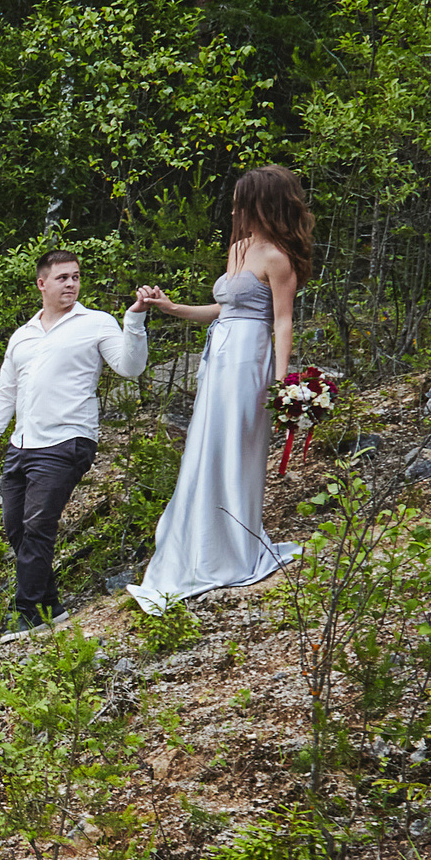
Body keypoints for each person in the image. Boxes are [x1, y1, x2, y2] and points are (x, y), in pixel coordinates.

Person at [124, 165, 313, 617]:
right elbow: (223, 307)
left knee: (234, 448)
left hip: (250, 361)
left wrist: (284, 382)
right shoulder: (240, 247)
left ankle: (232, 546)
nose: (234, 209)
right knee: (206, 448)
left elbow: (281, 321)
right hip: (220, 358)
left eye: (242, 201)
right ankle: (201, 541)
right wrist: (171, 308)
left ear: (263, 204)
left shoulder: (277, 258)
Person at [0, 249, 150, 639]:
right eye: (62, 278)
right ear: (42, 284)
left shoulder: (96, 323)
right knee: (16, 528)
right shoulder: (23, 335)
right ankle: (49, 607)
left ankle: (30, 616)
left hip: (67, 440)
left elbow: (130, 367)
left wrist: (134, 318)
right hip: (22, 445)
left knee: (38, 526)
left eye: (76, 277)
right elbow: (6, 392)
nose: (71, 283)